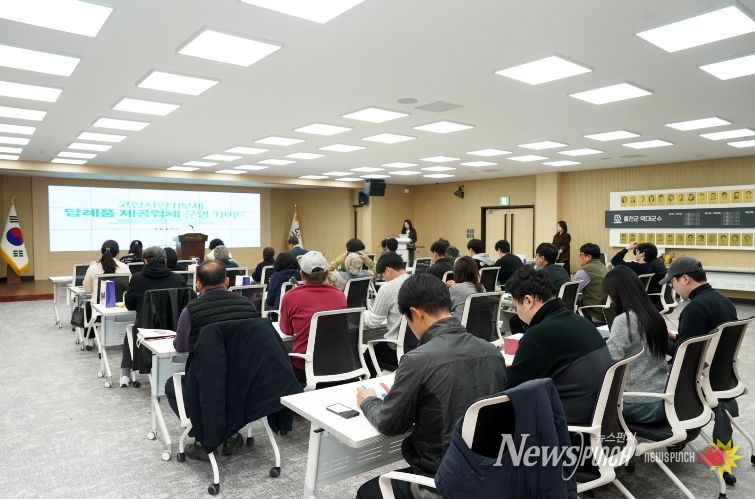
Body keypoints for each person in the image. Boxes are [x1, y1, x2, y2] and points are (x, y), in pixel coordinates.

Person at [355, 273, 507, 499]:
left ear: (416, 314)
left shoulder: (418, 360)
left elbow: (389, 423)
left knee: (367, 493)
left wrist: (369, 401)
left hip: (442, 481)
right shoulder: (492, 352)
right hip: (488, 475)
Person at [165, 260, 258, 459]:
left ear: (198, 283)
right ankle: (231, 434)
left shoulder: (191, 310)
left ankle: (203, 436)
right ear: (227, 281)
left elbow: (181, 347)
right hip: (244, 380)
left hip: (207, 384)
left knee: (171, 386)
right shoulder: (247, 305)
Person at [504, 266, 611, 424]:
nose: (517, 312)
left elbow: (513, 388)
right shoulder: (580, 321)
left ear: (528, 301)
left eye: (515, 306)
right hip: (600, 416)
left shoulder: (538, 335)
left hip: (568, 424)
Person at [661, 256, 739, 464]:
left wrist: (658, 340)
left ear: (685, 279)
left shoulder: (694, 309)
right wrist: (676, 337)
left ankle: (670, 433)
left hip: (698, 377)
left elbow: (684, 356)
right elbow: (701, 340)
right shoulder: (723, 302)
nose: (672, 287)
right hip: (721, 373)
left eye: (672, 282)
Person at [603, 266, 669, 423]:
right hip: (663, 399)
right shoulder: (655, 315)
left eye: (610, 294)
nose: (610, 300)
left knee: (589, 405)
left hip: (637, 403)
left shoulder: (624, 320)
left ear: (618, 294)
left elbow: (610, 362)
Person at [120, 246, 187, 387]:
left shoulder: (137, 279)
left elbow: (130, 305)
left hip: (147, 331)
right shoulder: (179, 279)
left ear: (145, 261)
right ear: (165, 261)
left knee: (131, 330)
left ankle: (125, 373)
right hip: (174, 329)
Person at [278, 251, 347, 383]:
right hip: (337, 362)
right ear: (326, 273)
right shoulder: (340, 295)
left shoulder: (290, 297)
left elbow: (286, 330)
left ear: (301, 274)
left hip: (305, 367)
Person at [362, 252, 411, 370]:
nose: (383, 279)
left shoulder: (388, 288)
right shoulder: (417, 280)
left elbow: (373, 322)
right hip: (418, 347)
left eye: (382, 275)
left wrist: (360, 314)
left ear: (388, 270)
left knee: (365, 354)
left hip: (397, 351)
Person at [82, 240, 131, 349]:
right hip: (120, 309)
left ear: (101, 251)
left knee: (89, 305)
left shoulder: (93, 267)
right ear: (118, 252)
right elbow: (129, 287)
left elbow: (87, 290)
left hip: (99, 312)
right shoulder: (124, 267)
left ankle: (90, 339)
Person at [574, 243, 608, 321]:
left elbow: (572, 291)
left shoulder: (585, 270)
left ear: (588, 257)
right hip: (606, 313)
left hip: (594, 313)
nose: (579, 257)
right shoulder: (605, 267)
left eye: (581, 255)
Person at [446, 256, 485, 320]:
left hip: (458, 325)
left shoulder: (455, 288)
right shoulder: (482, 287)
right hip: (478, 324)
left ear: (457, 272)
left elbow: (445, 310)